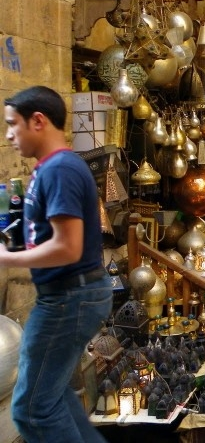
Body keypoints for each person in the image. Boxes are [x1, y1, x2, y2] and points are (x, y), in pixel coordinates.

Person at [2, 86, 112, 443]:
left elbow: (67, 248)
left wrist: (6, 258)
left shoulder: (61, 169)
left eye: (12, 125)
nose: (8, 135)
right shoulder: (52, 169)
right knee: (56, 400)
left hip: (69, 298)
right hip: (70, 295)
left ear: (38, 121)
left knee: (32, 410)